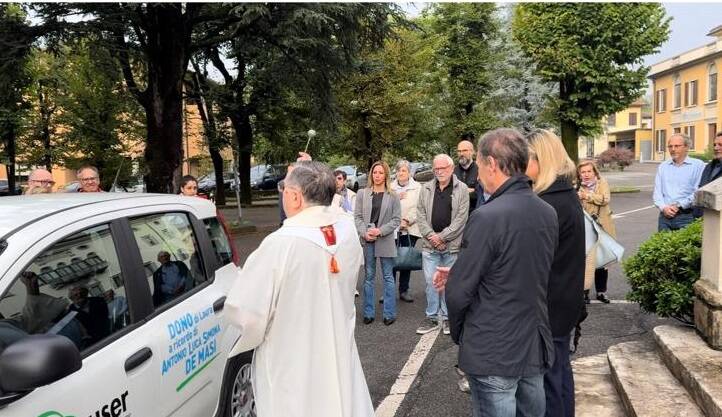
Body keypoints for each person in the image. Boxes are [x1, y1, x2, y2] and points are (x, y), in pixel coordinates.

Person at [225, 160, 374, 417]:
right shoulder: (347, 230)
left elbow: (247, 314)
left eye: (284, 189)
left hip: (293, 358)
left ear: (294, 197)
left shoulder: (279, 245)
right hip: (338, 345)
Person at [439, 128, 557, 417]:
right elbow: (517, 268)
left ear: (492, 163)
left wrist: (461, 332)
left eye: (479, 166)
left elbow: (459, 292)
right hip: (532, 341)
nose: (478, 175)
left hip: (493, 347)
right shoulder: (546, 211)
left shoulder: (487, 216)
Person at [526, 129, 585, 417]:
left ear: (542, 158)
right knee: (560, 374)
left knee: (549, 383)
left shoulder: (549, 201)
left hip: (550, 303)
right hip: (564, 299)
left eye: (527, 158)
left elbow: (537, 260)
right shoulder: (565, 195)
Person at [415, 154, 469, 335]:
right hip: (430, 247)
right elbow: (420, 215)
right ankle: (431, 317)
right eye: (436, 169)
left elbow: (461, 218)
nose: (439, 172)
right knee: (431, 283)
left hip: (451, 246)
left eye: (442, 168)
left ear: (451, 168)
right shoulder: (426, 188)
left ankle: (447, 318)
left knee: (449, 284)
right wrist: (432, 237)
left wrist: (442, 237)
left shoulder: (461, 189)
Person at [354, 161, 401, 325]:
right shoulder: (362, 193)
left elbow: (396, 220)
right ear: (371, 175)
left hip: (385, 240)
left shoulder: (393, 195)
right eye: (375, 173)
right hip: (368, 240)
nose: (377, 176)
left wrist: (380, 231)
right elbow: (358, 217)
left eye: (381, 173)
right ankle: (368, 312)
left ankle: (389, 313)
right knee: (369, 277)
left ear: (386, 175)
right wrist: (364, 233)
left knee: (388, 277)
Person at [577, 160, 616, 304]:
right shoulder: (576, 186)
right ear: (579, 174)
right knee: (585, 260)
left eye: (589, 171)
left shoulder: (602, 183)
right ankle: (584, 292)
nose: (586, 175)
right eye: (583, 172)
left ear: (594, 172)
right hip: (584, 227)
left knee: (601, 260)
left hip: (602, 226)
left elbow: (605, 199)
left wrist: (587, 196)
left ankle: (601, 292)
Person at [653, 133, 704, 231]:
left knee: (686, 246)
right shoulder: (663, 166)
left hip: (687, 216)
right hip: (665, 217)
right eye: (670, 146)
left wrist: (679, 205)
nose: (673, 149)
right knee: (662, 245)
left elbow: (698, 192)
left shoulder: (698, 165)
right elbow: (657, 192)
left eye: (677, 146)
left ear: (686, 147)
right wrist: (664, 208)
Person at [391, 160, 422, 303]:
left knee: (405, 259)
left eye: (403, 170)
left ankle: (404, 290)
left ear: (409, 173)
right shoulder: (390, 187)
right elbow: (385, 206)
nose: (400, 173)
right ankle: (388, 291)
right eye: (398, 170)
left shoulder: (417, 188)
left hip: (410, 229)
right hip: (392, 230)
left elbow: (419, 208)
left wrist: (407, 220)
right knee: (390, 260)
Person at [695, 132, 722, 217]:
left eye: (720, 145)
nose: (716, 147)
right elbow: (701, 188)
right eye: (715, 144)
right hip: (702, 217)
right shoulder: (709, 167)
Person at [455, 136, 482, 211]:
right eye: (459, 151)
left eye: (464, 151)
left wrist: (460, 191)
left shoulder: (480, 170)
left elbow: (481, 193)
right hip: (456, 215)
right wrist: (469, 191)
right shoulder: (452, 172)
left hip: (475, 213)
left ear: (472, 152)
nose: (461, 154)